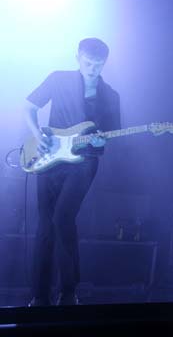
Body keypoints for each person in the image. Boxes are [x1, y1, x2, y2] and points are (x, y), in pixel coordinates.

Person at [24, 38, 121, 306]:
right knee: (45, 225)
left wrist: (102, 141)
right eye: (88, 63)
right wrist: (37, 135)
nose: (92, 69)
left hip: (84, 162)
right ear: (78, 57)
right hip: (50, 157)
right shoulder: (58, 79)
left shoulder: (110, 96)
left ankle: (68, 292)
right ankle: (39, 295)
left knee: (62, 218)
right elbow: (29, 106)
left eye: (98, 65)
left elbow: (109, 135)